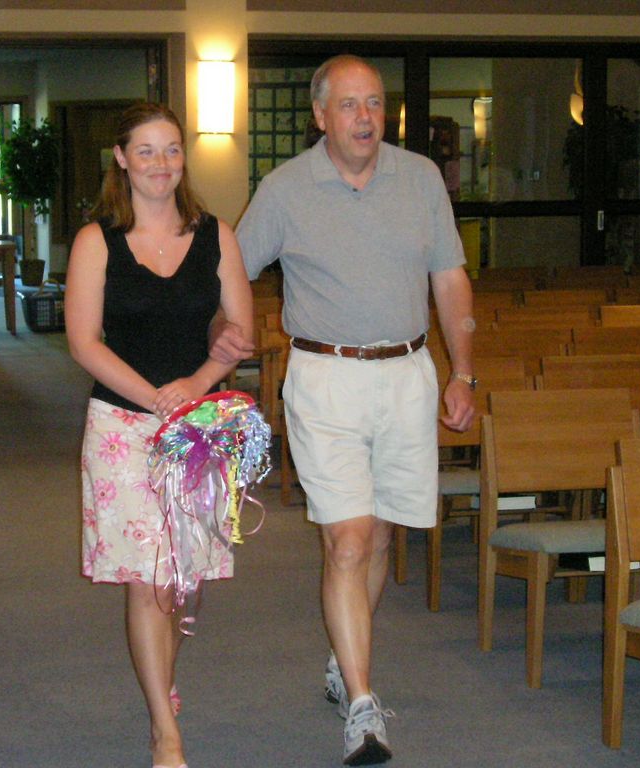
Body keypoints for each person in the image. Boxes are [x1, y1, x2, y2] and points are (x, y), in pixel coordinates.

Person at [214, 54, 476, 766]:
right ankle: (363, 706)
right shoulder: (286, 188)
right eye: (350, 105)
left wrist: (465, 373)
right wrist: (222, 346)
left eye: (374, 103)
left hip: (408, 373)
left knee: (383, 537)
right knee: (348, 540)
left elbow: (449, 280)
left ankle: (343, 657)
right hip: (326, 375)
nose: (366, 117)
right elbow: (234, 269)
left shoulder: (419, 177)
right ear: (320, 116)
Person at [65, 102, 253, 768]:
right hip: (123, 426)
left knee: (179, 583)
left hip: (201, 427)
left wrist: (198, 384)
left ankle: (161, 682)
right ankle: (163, 730)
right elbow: (83, 341)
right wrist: (153, 399)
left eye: (172, 150)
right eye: (145, 151)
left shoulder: (216, 236)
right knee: (146, 582)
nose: (160, 164)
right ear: (121, 158)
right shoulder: (97, 240)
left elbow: (239, 333)